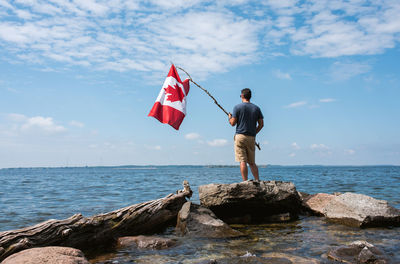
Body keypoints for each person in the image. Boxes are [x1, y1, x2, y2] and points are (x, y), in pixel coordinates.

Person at [228, 88, 264, 181]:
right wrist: (254, 132)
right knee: (252, 162)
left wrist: (230, 117)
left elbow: (232, 123)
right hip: (251, 137)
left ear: (242, 96)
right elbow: (261, 124)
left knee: (242, 161)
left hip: (240, 136)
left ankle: (245, 182)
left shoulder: (237, 107)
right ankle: (257, 180)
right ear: (250, 96)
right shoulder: (256, 108)